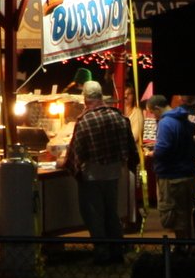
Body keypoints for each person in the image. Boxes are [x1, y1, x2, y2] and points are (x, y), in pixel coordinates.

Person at [58, 80, 139, 265]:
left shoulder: (85, 121)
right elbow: (130, 147)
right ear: (101, 97)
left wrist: (64, 163)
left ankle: (102, 254)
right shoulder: (119, 117)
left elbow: (76, 152)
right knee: (112, 213)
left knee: (94, 215)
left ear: (85, 99)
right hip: (114, 174)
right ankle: (117, 252)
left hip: (92, 176)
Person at [152, 94, 195, 240]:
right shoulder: (184, 119)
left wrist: (152, 153)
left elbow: (163, 149)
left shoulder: (166, 123)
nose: (154, 116)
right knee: (186, 215)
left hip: (172, 177)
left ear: (157, 109)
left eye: (153, 113)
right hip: (188, 173)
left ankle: (182, 251)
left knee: (175, 217)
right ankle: (189, 248)